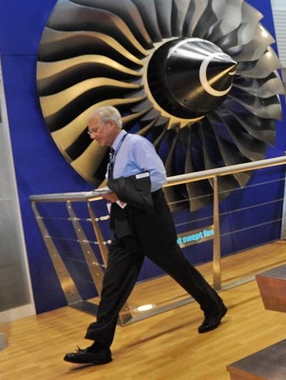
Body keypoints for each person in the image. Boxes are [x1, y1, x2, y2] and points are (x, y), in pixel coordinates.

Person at [64, 106, 227, 366]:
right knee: (113, 283)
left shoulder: (136, 144)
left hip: (150, 220)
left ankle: (213, 306)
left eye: (94, 130)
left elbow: (158, 177)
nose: (92, 135)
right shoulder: (115, 151)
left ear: (110, 125)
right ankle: (99, 346)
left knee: (178, 268)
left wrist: (119, 191)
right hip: (126, 223)